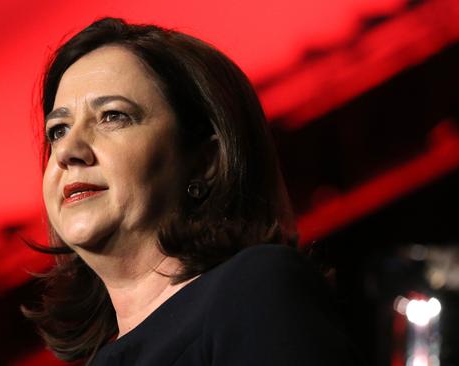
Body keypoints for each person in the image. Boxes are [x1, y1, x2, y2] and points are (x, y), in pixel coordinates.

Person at [24, 17, 361, 365]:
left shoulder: (255, 289)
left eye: (113, 116)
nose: (67, 151)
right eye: (58, 130)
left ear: (205, 161)